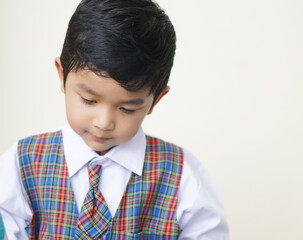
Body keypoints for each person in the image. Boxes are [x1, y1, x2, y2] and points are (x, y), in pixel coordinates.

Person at [0, 0, 229, 239]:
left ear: (156, 100)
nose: (104, 122)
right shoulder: (22, 162)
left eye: (127, 109)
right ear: (62, 75)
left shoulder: (181, 174)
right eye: (89, 100)